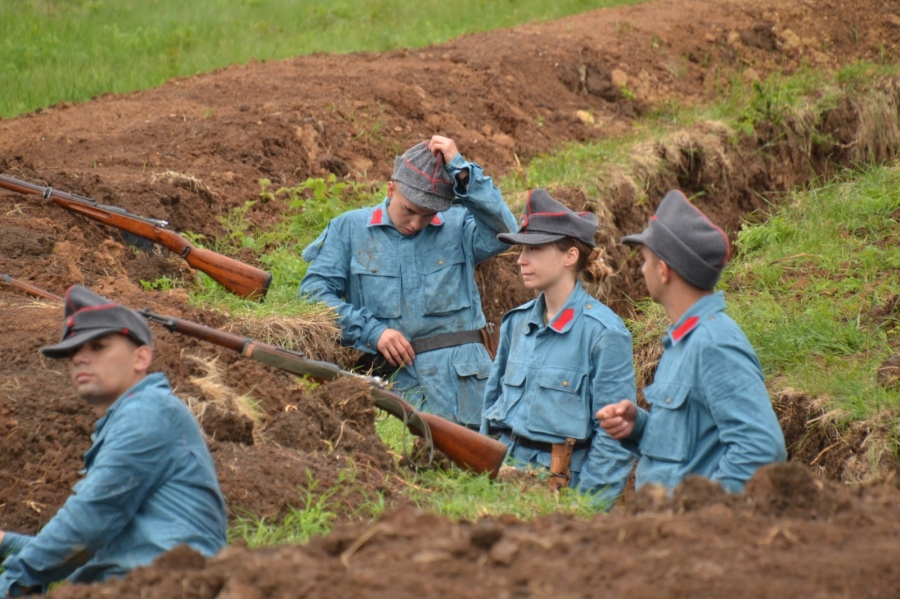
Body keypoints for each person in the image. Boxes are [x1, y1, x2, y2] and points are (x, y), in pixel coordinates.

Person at [0, 285, 227, 596]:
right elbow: (102, 547)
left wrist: (15, 577)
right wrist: (6, 543)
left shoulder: (148, 413)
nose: (80, 358)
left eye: (99, 346)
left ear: (141, 357)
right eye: (74, 351)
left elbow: (88, 521)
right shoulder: (131, 416)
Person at [299, 135, 517, 428]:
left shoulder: (459, 226)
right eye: (409, 210)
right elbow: (313, 294)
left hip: (467, 391)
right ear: (391, 189)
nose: (415, 223)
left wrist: (463, 172)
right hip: (396, 389)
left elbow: (505, 231)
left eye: (427, 216)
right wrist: (373, 332)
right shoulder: (348, 229)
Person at [596, 189, 787, 494]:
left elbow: (762, 448)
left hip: (690, 534)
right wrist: (640, 428)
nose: (642, 270)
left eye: (645, 261)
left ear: (663, 271)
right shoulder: (684, 341)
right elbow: (691, 447)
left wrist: (708, 513)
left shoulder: (714, 343)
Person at [480, 189, 636, 509]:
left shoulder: (604, 334)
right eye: (521, 249)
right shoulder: (515, 324)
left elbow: (614, 439)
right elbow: (490, 414)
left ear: (570, 256)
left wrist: (583, 512)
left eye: (534, 249)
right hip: (500, 488)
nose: (521, 259)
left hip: (558, 495)